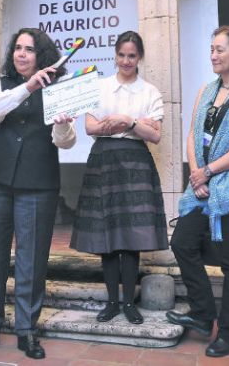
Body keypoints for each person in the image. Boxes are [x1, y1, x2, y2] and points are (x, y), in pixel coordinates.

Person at [0, 28, 76, 360]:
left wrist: (61, 124)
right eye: (17, 48)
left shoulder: (59, 88)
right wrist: (28, 87)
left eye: (29, 49)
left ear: (41, 54)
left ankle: (27, 330)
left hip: (39, 183)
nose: (21, 54)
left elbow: (66, 141)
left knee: (31, 259)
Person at [166, 25, 229, 358]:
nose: (213, 55)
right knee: (182, 241)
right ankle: (202, 313)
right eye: (211, 49)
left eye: (220, 49)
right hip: (201, 183)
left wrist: (209, 172)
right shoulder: (206, 90)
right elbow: (193, 135)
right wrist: (197, 175)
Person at [69, 30, 168, 325]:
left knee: (131, 236)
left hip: (136, 163)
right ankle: (112, 302)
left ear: (140, 58)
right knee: (106, 234)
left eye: (132, 56)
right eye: (122, 55)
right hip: (104, 161)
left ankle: (128, 303)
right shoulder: (99, 87)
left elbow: (155, 135)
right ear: (115, 55)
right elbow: (90, 127)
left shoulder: (150, 91)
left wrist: (127, 121)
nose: (126, 61)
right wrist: (137, 125)